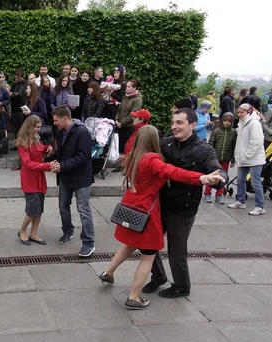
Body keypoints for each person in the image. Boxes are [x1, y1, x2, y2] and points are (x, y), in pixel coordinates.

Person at [98, 125, 224, 310]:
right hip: (146, 211)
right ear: (153, 140)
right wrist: (201, 178)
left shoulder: (133, 156)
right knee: (148, 257)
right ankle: (134, 297)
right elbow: (174, 172)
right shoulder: (152, 159)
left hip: (132, 206)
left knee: (130, 244)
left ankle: (108, 273)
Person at [143, 108, 228, 298]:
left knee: (176, 250)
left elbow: (217, 170)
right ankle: (158, 277)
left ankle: (182, 287)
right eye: (173, 123)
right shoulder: (165, 143)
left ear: (192, 125)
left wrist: (218, 177)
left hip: (184, 207)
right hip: (160, 203)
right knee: (147, 243)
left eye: (179, 123)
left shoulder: (204, 149)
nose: (174, 127)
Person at [51, 106, 95, 256]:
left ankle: (88, 242)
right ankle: (68, 231)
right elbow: (63, 153)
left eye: (56, 120)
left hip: (81, 177)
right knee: (63, 206)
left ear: (65, 118)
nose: (55, 123)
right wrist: (52, 155)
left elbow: (83, 156)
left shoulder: (82, 132)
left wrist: (62, 166)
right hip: (66, 176)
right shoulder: (61, 132)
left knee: (83, 209)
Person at [16, 115, 56, 245]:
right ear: (30, 127)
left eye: (39, 127)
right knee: (32, 209)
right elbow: (27, 163)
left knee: (39, 209)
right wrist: (47, 166)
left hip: (38, 176)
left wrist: (47, 148)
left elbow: (41, 149)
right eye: (37, 127)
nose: (39, 129)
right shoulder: (23, 142)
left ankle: (33, 233)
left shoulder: (36, 138)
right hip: (30, 178)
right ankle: (22, 230)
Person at [228, 103, 266, 216]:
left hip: (254, 158)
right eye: (238, 112)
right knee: (240, 180)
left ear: (248, 112)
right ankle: (241, 201)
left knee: (255, 182)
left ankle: (260, 206)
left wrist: (247, 155)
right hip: (244, 158)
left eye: (241, 112)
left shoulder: (254, 123)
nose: (239, 114)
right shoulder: (242, 123)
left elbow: (257, 141)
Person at [204, 112, 237, 203]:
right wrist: (210, 157)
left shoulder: (234, 132)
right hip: (215, 159)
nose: (227, 122)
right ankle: (207, 193)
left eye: (229, 121)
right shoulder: (216, 131)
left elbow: (234, 146)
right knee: (212, 176)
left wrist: (233, 159)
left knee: (223, 177)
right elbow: (210, 144)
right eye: (225, 120)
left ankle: (219, 195)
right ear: (222, 120)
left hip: (226, 159)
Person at [115, 79, 143, 153]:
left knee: (126, 149)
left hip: (128, 127)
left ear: (134, 88)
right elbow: (119, 109)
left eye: (128, 87)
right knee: (118, 147)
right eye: (126, 86)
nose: (126, 88)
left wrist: (122, 123)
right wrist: (117, 120)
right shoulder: (125, 96)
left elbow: (133, 115)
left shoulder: (138, 99)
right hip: (120, 126)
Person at [10, 69, 28, 148]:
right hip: (14, 107)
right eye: (16, 78)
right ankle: (17, 143)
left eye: (19, 78)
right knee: (15, 127)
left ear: (22, 77)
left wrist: (17, 95)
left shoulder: (25, 84)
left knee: (22, 127)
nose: (17, 80)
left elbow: (23, 96)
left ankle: (23, 144)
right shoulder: (14, 84)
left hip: (22, 108)